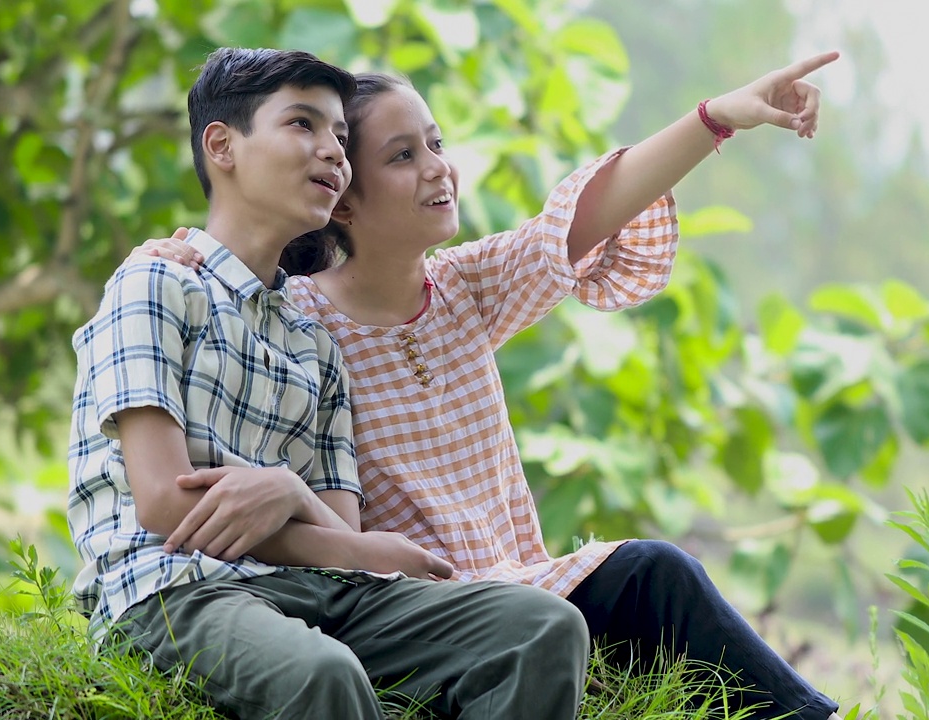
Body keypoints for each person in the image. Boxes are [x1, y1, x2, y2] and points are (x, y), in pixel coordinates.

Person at [140, 52, 843, 719]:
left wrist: (719, 116)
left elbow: (591, 210)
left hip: (523, 589)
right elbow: (223, 281)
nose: (437, 169)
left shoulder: (463, 288)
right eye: (402, 156)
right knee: (653, 571)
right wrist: (178, 249)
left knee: (654, 574)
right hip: (413, 604)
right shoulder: (296, 325)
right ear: (342, 200)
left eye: (437, 143)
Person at [71, 46, 589, 720]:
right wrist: (358, 545)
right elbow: (169, 507)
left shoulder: (312, 340)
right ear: (222, 147)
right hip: (174, 590)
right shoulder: (156, 284)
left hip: (315, 590)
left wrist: (289, 493)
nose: (332, 154)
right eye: (302, 126)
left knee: (543, 626)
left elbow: (337, 520)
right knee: (322, 674)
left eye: (341, 137)